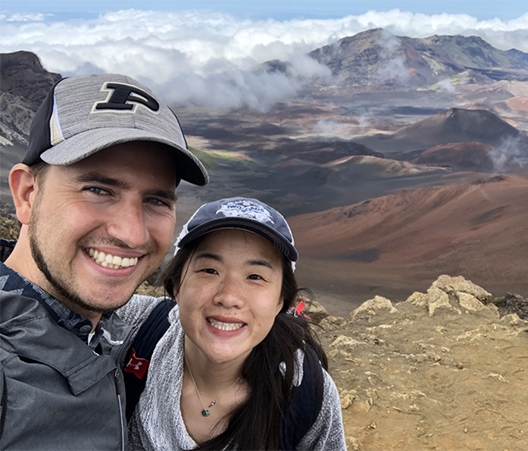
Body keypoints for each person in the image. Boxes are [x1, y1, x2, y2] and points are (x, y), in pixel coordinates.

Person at [0, 73, 209, 450]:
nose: (132, 234)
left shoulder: (97, 326)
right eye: (98, 189)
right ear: (27, 195)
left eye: (156, 200)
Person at [117, 197, 346, 450]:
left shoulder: (305, 393)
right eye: (210, 270)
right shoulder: (130, 327)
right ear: (177, 286)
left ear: (281, 301)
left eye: (255, 276)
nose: (228, 297)